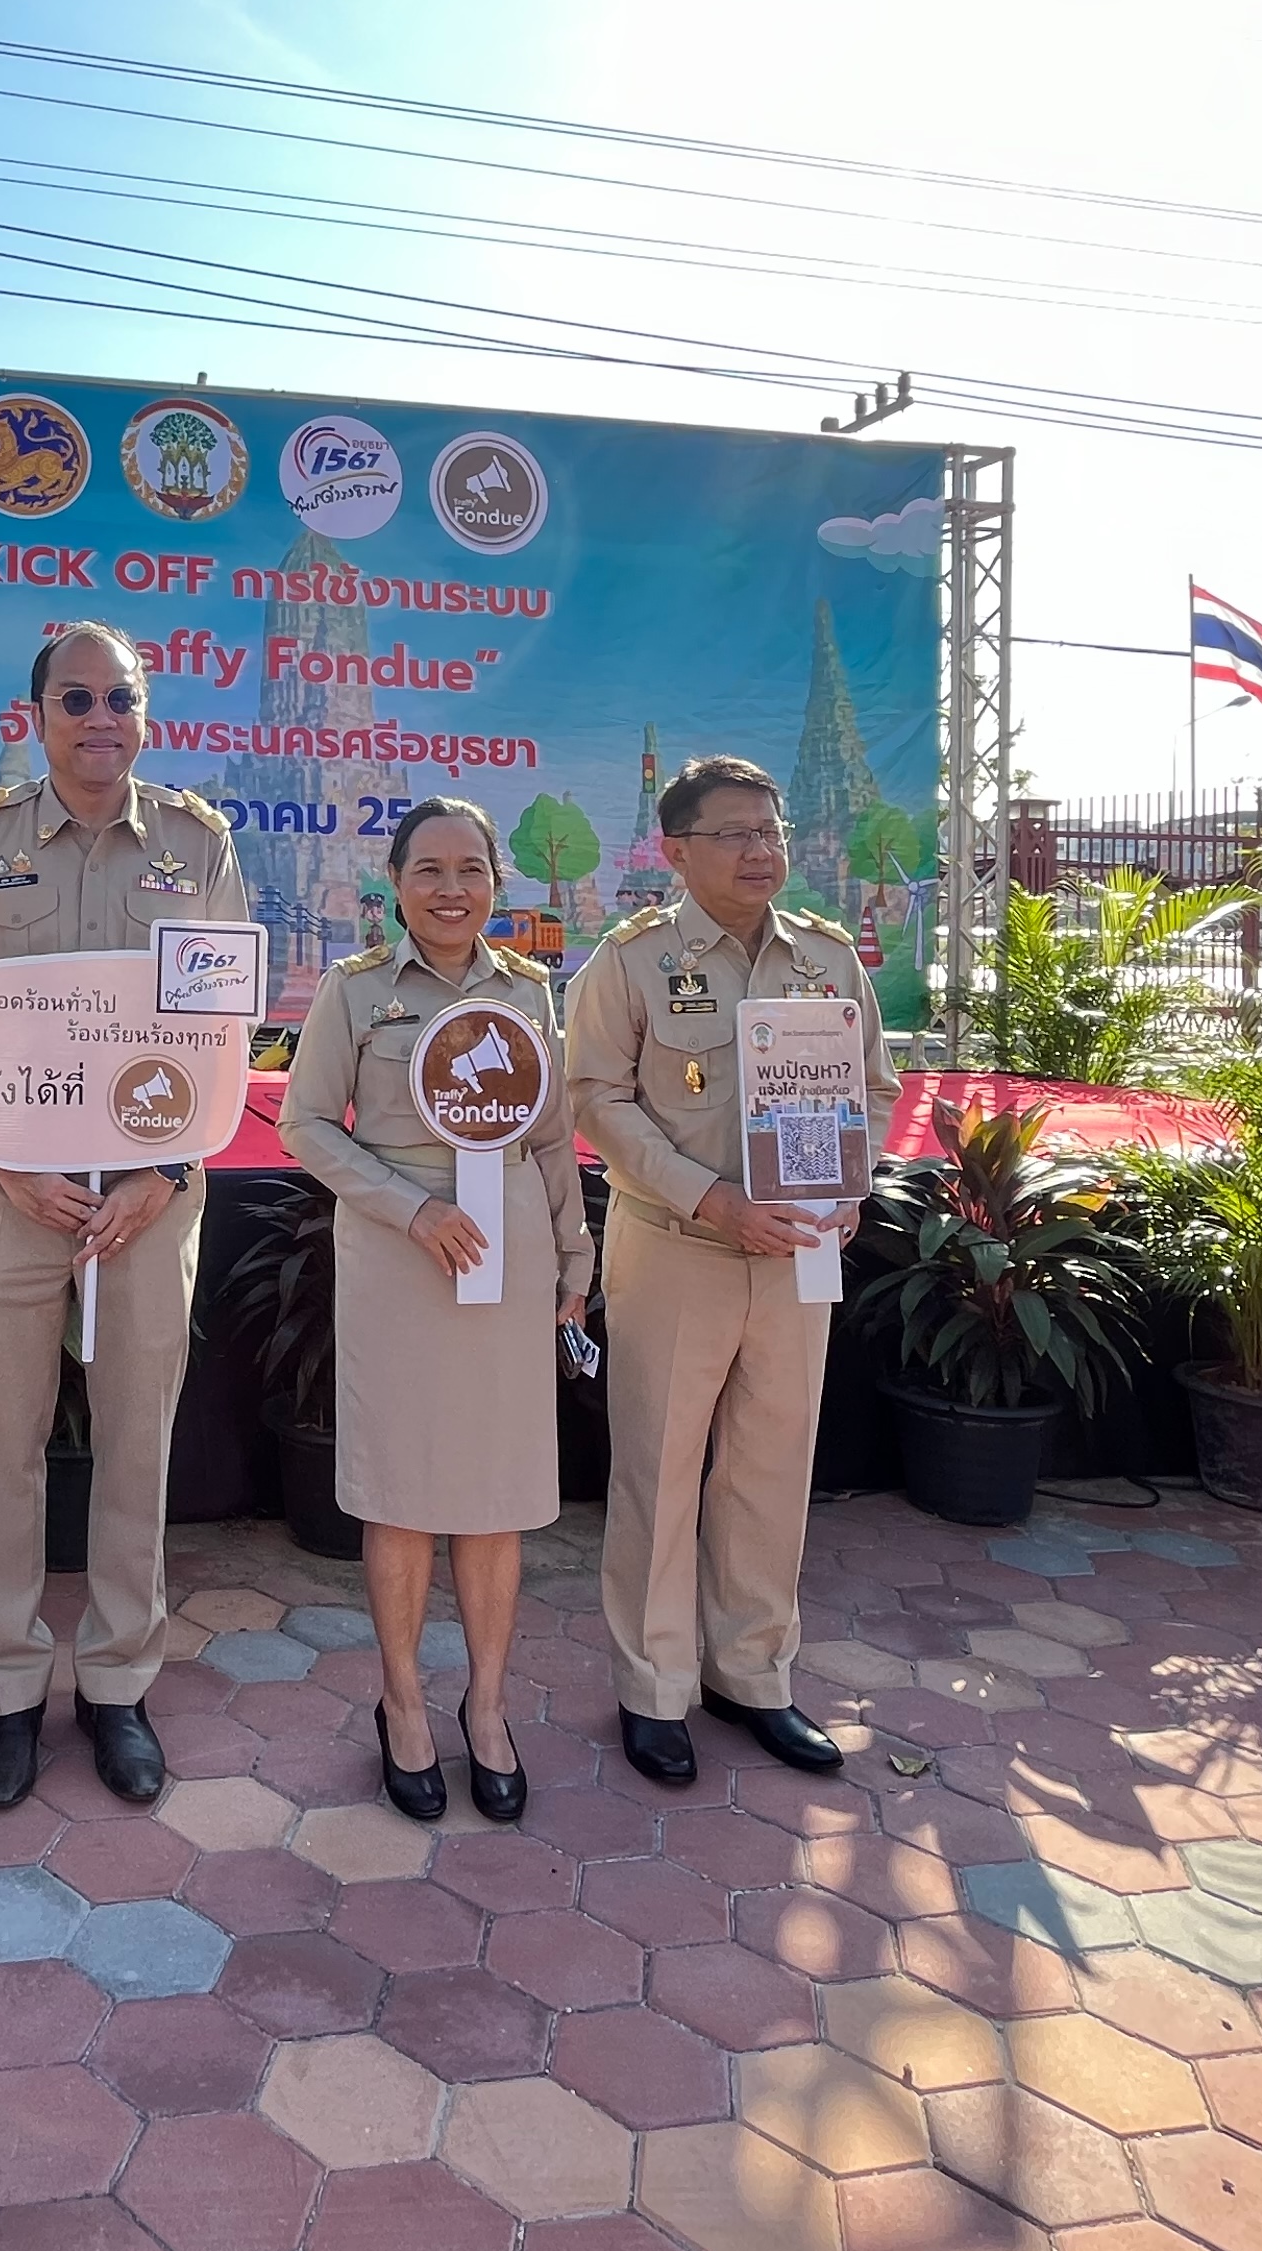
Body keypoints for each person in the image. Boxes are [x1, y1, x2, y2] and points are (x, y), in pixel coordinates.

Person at [0, 619, 250, 1809]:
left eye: (122, 698)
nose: (100, 718)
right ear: (36, 716)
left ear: (145, 715)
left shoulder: (198, 848)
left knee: (135, 1446)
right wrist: (1, 1163)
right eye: (76, 699)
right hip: (10, 1191)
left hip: (151, 1198)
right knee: (1, 1445)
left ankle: (117, 1684)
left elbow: (221, 1025)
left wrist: (165, 1178)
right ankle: (6, 1691)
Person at [278, 796, 589, 1822]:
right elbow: (308, 1126)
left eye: (471, 870)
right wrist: (412, 1211)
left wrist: (574, 1262)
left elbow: (549, 1142)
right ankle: (403, 1702)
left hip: (511, 1256)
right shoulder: (357, 991)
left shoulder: (533, 993)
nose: (451, 890)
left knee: (496, 1497)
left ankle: (488, 1709)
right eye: (429, 871)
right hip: (403, 1260)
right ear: (397, 886)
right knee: (404, 1494)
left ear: (498, 883)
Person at [564, 755, 861, 1787]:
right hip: (680, 1246)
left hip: (798, 1257)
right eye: (734, 833)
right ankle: (653, 1688)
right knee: (659, 1470)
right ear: (676, 852)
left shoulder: (824, 956)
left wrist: (851, 1187)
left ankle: (754, 1675)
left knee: (771, 1469)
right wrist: (711, 1195)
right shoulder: (634, 959)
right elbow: (597, 1098)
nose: (760, 850)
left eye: (770, 831)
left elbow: (871, 1079)